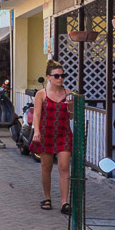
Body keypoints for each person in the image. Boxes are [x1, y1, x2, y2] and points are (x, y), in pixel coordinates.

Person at [31, 60, 73, 214]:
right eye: (57, 76)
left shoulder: (68, 94)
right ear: (48, 77)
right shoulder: (42, 94)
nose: (60, 79)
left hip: (63, 133)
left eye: (62, 76)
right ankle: (47, 197)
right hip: (46, 133)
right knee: (46, 167)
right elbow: (37, 113)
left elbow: (72, 116)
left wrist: (70, 107)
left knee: (64, 167)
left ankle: (65, 202)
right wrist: (37, 131)